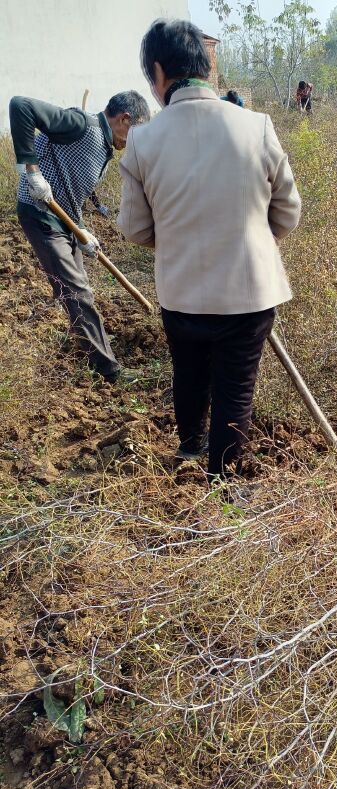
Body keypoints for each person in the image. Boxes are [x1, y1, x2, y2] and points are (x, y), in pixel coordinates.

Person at [118, 19, 301, 479]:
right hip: (248, 295)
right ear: (205, 65)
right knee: (235, 389)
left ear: (159, 73)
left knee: (190, 373)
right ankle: (223, 485)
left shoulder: (141, 140)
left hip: (181, 293)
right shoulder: (257, 126)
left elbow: (136, 229)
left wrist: (181, 237)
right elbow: (287, 214)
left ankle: (190, 449)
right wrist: (247, 236)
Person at [9, 91, 150, 382]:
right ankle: (108, 370)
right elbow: (20, 105)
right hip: (40, 215)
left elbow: (70, 189)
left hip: (64, 221)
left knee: (78, 287)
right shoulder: (81, 125)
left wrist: (82, 229)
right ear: (124, 119)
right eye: (136, 132)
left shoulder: (104, 147)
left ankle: (84, 344)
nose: (132, 142)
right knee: (76, 291)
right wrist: (31, 172)